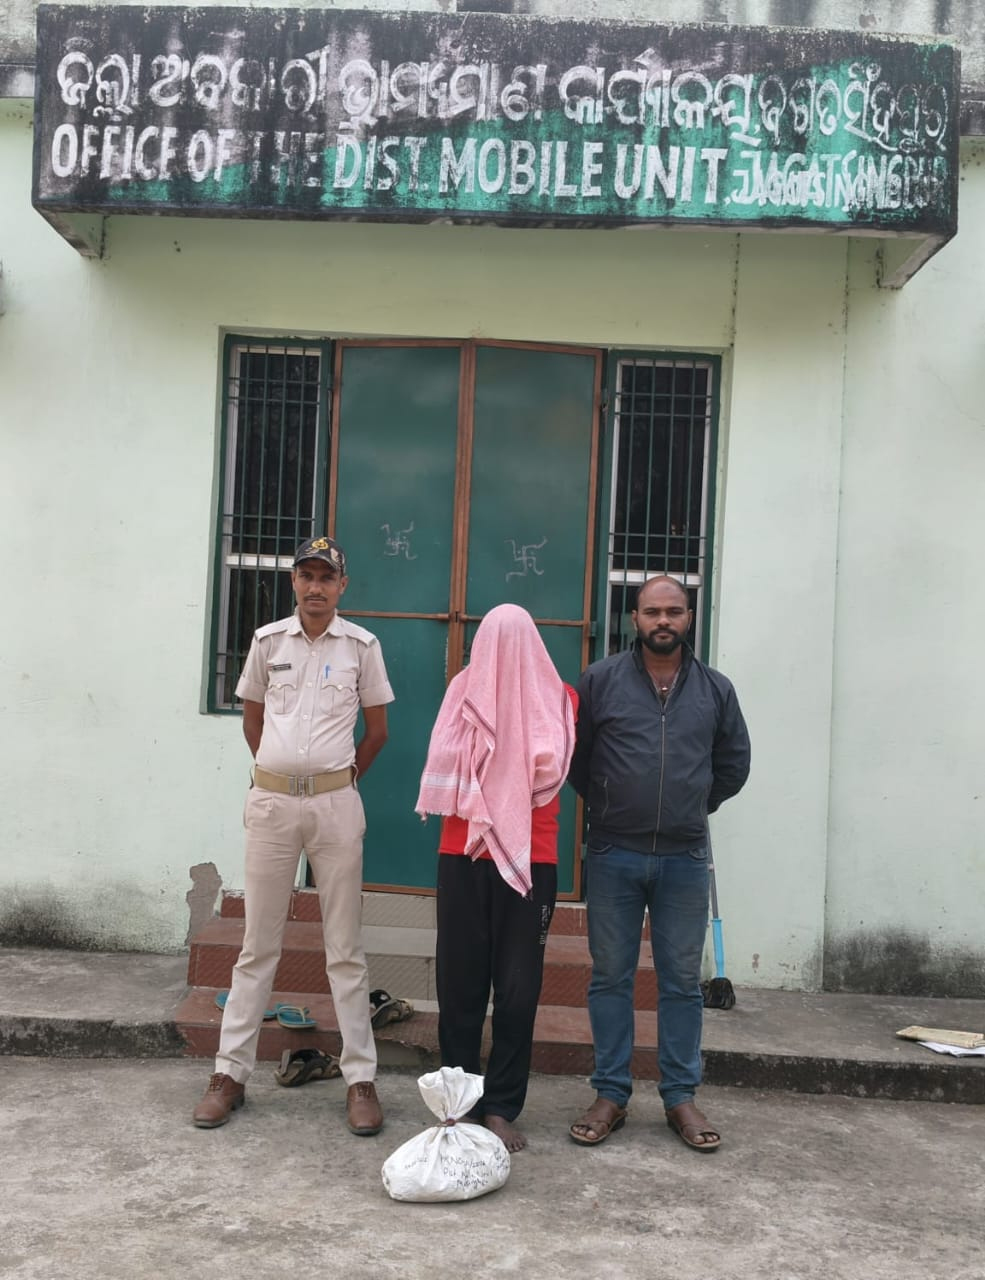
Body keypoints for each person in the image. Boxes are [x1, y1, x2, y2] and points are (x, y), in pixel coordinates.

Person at [192, 535, 394, 1136]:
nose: (315, 587)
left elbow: (378, 732)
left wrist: (338, 780)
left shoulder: (362, 647)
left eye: (326, 577)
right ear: (294, 582)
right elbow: (253, 719)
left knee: (345, 949)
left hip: (335, 807)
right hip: (273, 805)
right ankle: (229, 1074)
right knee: (258, 946)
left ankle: (360, 1080)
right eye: (306, 576)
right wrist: (280, 776)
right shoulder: (267, 642)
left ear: (341, 586)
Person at [567, 575, 750, 1152]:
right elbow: (576, 757)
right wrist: (610, 804)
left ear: (689, 617)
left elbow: (734, 763)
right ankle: (611, 1093)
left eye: (674, 611)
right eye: (652, 611)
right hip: (613, 852)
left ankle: (680, 1096)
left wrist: (692, 805)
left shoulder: (716, 689)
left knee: (681, 983)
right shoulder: (600, 681)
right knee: (611, 977)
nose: (663, 620)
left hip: (684, 856)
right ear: (635, 618)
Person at [415, 604, 576, 1152]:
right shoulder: (461, 694)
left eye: (516, 640)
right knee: (459, 985)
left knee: (518, 989)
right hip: (461, 853)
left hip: (532, 858)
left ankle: (502, 1107)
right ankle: (459, 1104)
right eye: (494, 640)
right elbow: (444, 760)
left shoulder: (562, 699)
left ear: (534, 646)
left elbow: (555, 773)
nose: (505, 653)